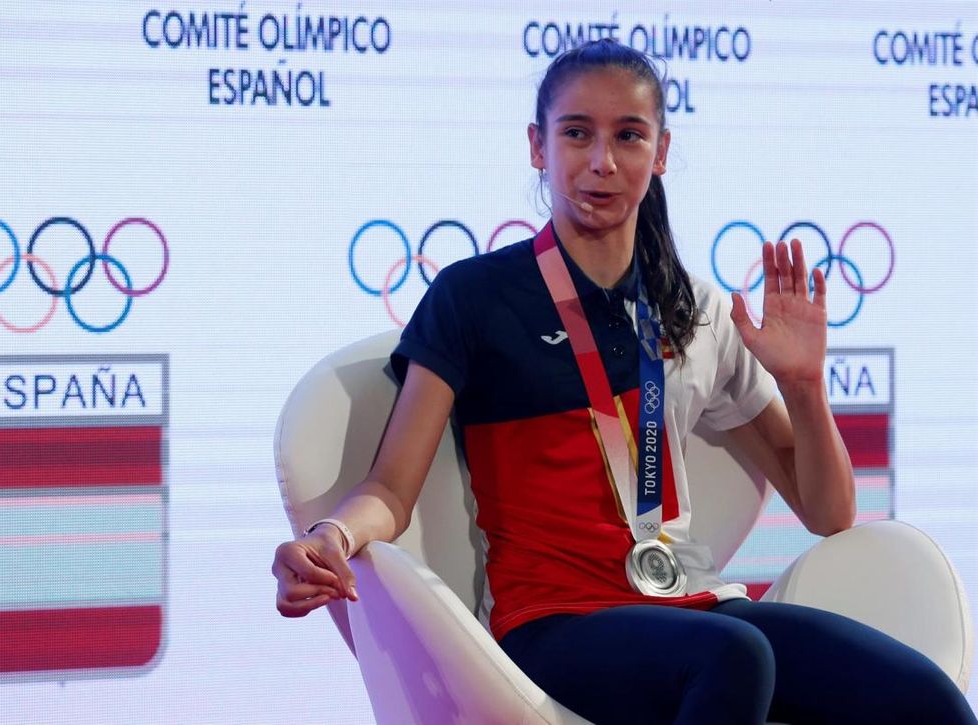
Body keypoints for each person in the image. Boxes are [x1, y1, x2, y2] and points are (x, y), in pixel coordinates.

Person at [272, 40, 976, 724]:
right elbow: (390, 489)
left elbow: (828, 512)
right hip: (553, 624)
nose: (601, 162)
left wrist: (802, 384)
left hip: (692, 602)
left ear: (660, 152)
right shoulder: (472, 297)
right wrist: (332, 535)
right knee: (735, 658)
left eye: (629, 136)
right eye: (576, 133)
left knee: (925, 697)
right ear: (537, 146)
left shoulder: (696, 309)